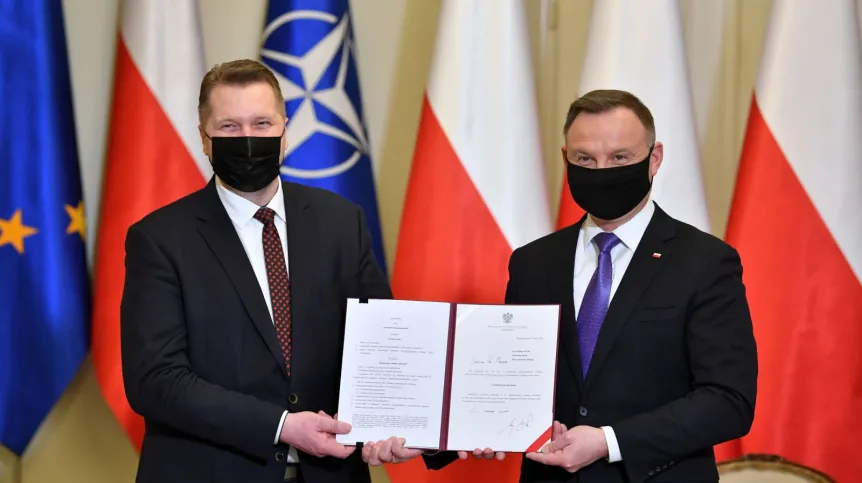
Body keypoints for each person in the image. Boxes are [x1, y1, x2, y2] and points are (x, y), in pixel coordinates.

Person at [363, 89, 757, 483]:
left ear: (654, 159)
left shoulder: (704, 262)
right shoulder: (534, 262)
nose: (602, 170)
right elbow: (501, 384)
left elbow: (728, 401)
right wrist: (428, 436)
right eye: (586, 159)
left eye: (620, 158)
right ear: (567, 159)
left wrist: (608, 441)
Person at [120, 59, 391, 483]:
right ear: (204, 140)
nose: (248, 139)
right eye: (229, 127)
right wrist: (282, 424)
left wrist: (404, 425)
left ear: (285, 130)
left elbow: (384, 344)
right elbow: (156, 379)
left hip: (331, 472)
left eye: (262, 123)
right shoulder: (159, 239)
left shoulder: (342, 222)